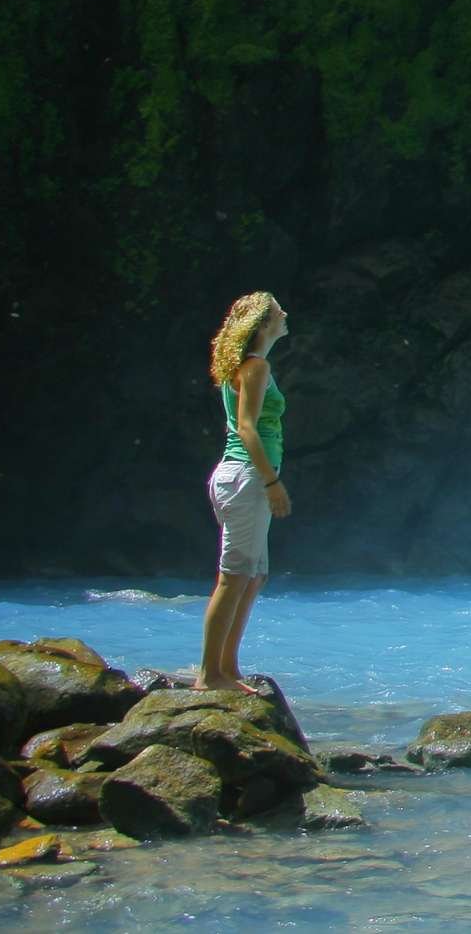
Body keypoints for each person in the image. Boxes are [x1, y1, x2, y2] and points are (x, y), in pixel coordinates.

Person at [198, 292, 292, 693]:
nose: (284, 313)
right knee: (234, 577)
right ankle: (209, 675)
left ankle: (228, 667)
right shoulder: (255, 366)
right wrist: (272, 483)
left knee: (253, 576)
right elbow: (247, 428)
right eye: (277, 311)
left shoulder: (252, 366)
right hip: (248, 477)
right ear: (262, 323)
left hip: (241, 477)